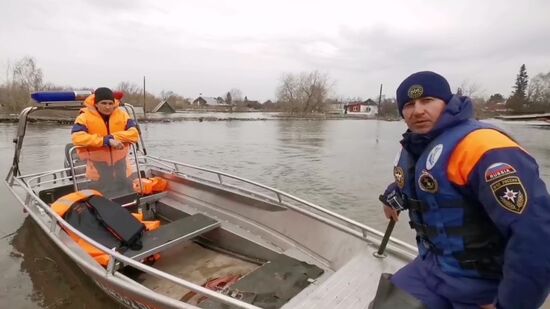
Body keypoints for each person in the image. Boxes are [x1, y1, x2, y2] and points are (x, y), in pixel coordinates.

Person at [380, 71, 550, 308]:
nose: (417, 110)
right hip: (431, 270)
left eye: (427, 101)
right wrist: (393, 197)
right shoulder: (415, 145)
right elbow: (418, 184)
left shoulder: (486, 148)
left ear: (447, 102)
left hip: (485, 286)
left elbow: (536, 236)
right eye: (409, 105)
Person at [71, 87, 139, 194]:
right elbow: (77, 138)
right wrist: (104, 141)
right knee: (101, 201)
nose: (107, 107)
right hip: (97, 171)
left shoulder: (123, 115)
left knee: (129, 196)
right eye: (103, 103)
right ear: (96, 104)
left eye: (110, 103)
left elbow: (135, 134)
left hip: (122, 169)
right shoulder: (84, 117)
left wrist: (113, 137)